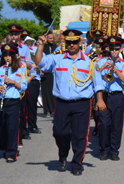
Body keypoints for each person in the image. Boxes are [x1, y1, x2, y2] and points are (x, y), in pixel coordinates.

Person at [34, 29, 104, 176]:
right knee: (60, 133)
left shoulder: (90, 60)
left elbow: (97, 82)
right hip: (62, 102)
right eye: (69, 42)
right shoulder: (57, 58)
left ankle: (77, 163)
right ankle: (63, 155)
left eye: (74, 42)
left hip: (82, 103)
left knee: (80, 135)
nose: (71, 45)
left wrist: (100, 99)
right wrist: (40, 46)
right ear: (65, 42)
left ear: (80, 42)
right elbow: (39, 62)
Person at [0, 43, 28, 164]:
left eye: (9, 56)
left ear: (14, 56)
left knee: (12, 128)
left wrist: (13, 82)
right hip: (0, 101)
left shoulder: (20, 70)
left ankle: (11, 153)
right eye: (5, 56)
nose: (7, 58)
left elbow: (24, 87)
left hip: (13, 103)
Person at [95, 36, 124, 161]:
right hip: (104, 96)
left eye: (116, 49)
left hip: (117, 96)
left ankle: (114, 151)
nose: (114, 51)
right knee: (104, 124)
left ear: (120, 50)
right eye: (112, 49)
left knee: (116, 125)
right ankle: (104, 149)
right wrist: (103, 67)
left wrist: (116, 71)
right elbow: (95, 76)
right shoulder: (100, 62)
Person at [40, 31, 58, 117]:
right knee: (45, 92)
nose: (52, 40)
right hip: (44, 72)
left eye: (53, 38)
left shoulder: (55, 47)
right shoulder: (43, 47)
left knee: (52, 92)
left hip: (53, 72)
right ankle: (46, 110)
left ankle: (53, 109)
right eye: (50, 38)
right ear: (46, 38)